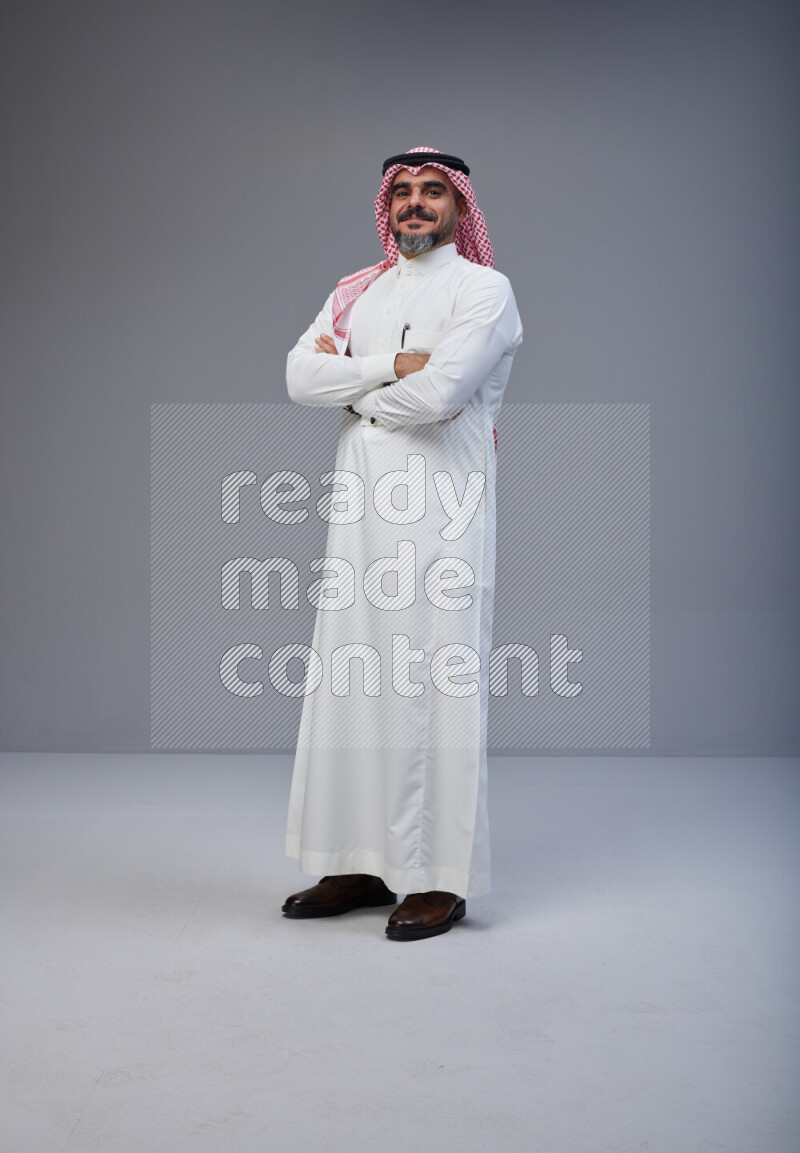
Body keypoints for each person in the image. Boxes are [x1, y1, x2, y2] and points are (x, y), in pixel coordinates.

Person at [281, 147, 523, 940]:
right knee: (353, 677)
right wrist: (388, 367)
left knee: (433, 683)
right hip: (359, 516)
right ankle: (356, 860)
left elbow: (442, 395)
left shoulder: (483, 289)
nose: (415, 204)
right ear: (387, 207)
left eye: (433, 192)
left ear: (459, 207)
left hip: (442, 515)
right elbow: (298, 377)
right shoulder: (357, 291)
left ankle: (438, 879)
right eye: (403, 193)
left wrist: (356, 389)